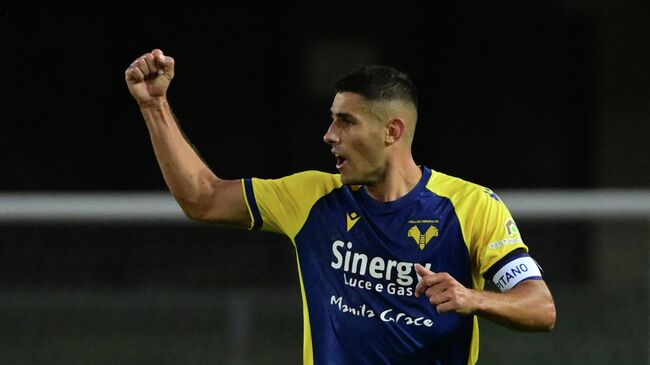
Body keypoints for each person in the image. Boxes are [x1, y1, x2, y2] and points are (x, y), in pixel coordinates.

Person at [125, 48, 556, 365]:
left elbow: (540, 307)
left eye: (346, 121)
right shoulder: (313, 197)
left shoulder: (471, 206)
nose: (330, 135)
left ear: (392, 130)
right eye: (332, 119)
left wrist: (474, 299)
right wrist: (154, 106)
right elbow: (203, 198)